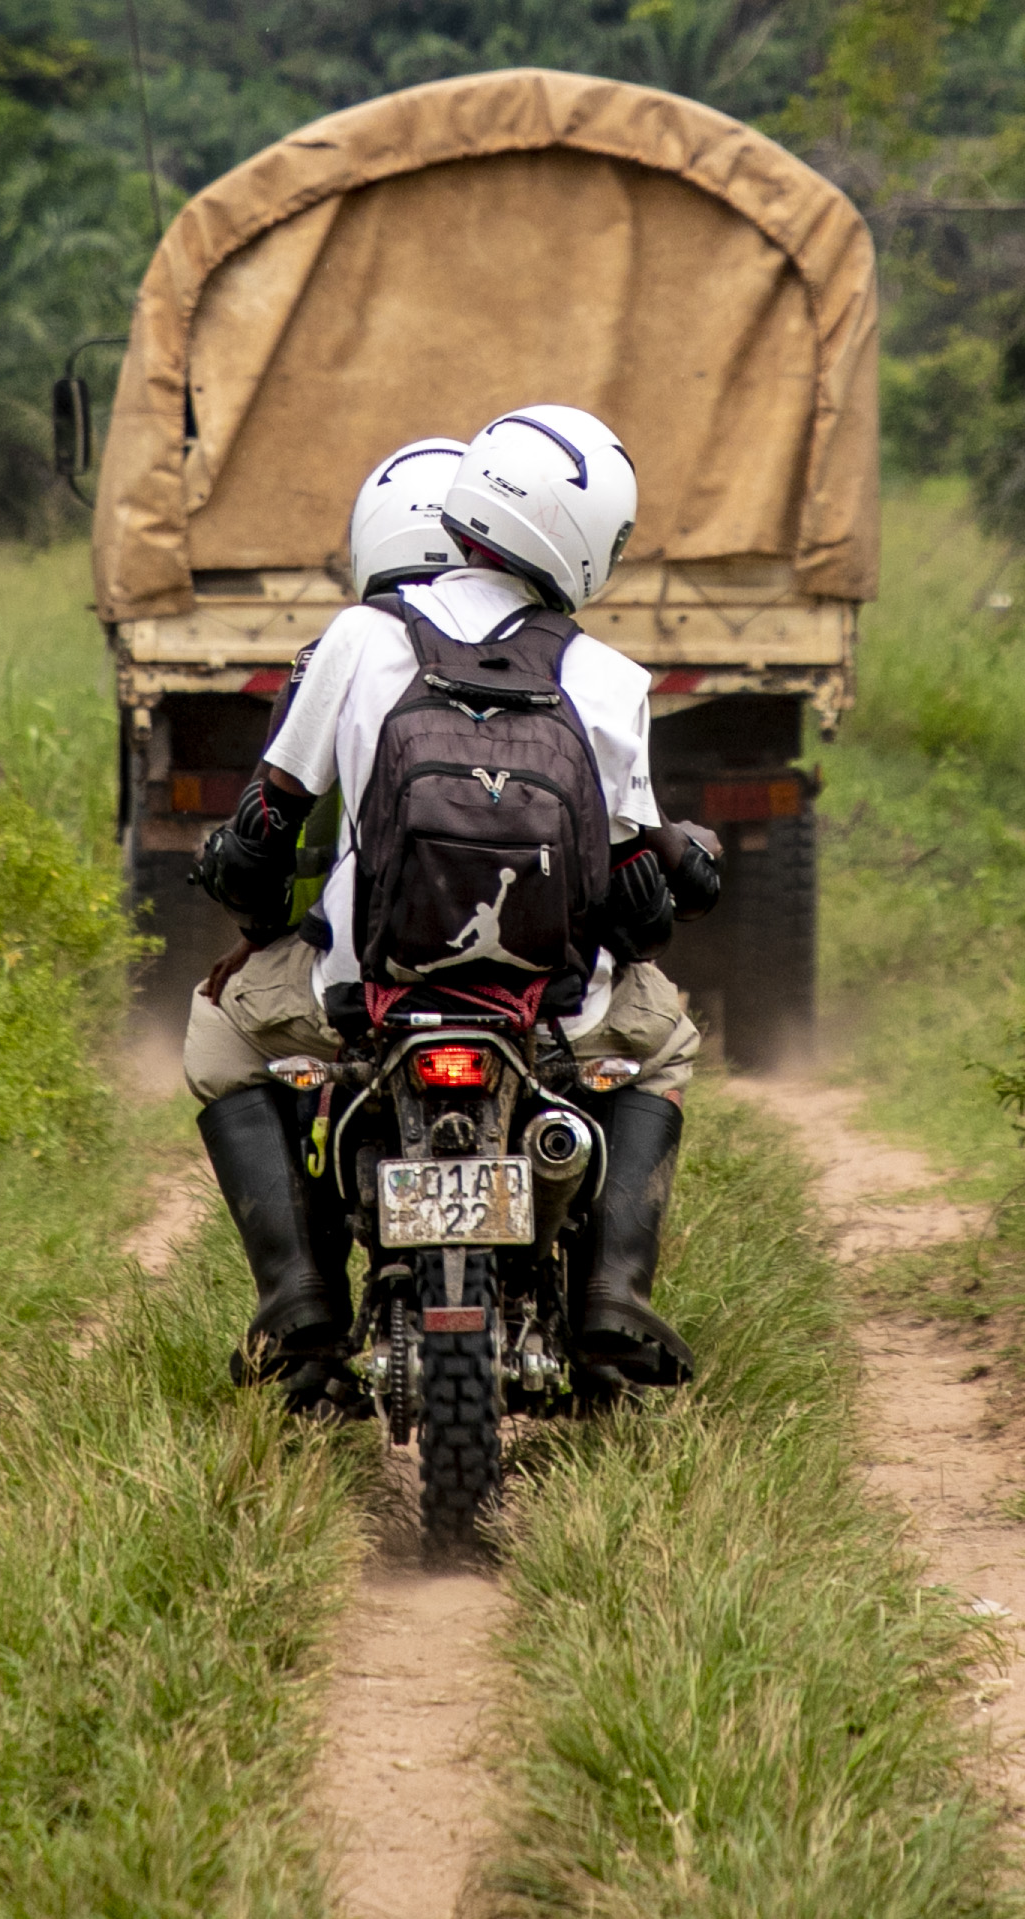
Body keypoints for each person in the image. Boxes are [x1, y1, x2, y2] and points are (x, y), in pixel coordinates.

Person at [182, 405, 714, 1409]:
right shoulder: (607, 677)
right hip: (555, 1008)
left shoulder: (355, 638)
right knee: (668, 1043)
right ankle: (611, 1295)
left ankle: (298, 1304)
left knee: (218, 1033)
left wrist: (251, 904)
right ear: (587, 535)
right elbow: (641, 898)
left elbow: (263, 834)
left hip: (364, 991)